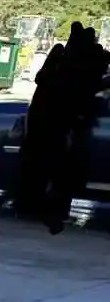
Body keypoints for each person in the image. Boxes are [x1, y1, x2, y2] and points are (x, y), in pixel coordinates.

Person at [14, 21, 110, 233]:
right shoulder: (78, 66)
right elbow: (85, 89)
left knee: (39, 168)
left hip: (44, 124)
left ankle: (31, 207)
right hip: (61, 126)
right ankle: (51, 212)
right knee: (59, 172)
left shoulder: (61, 60)